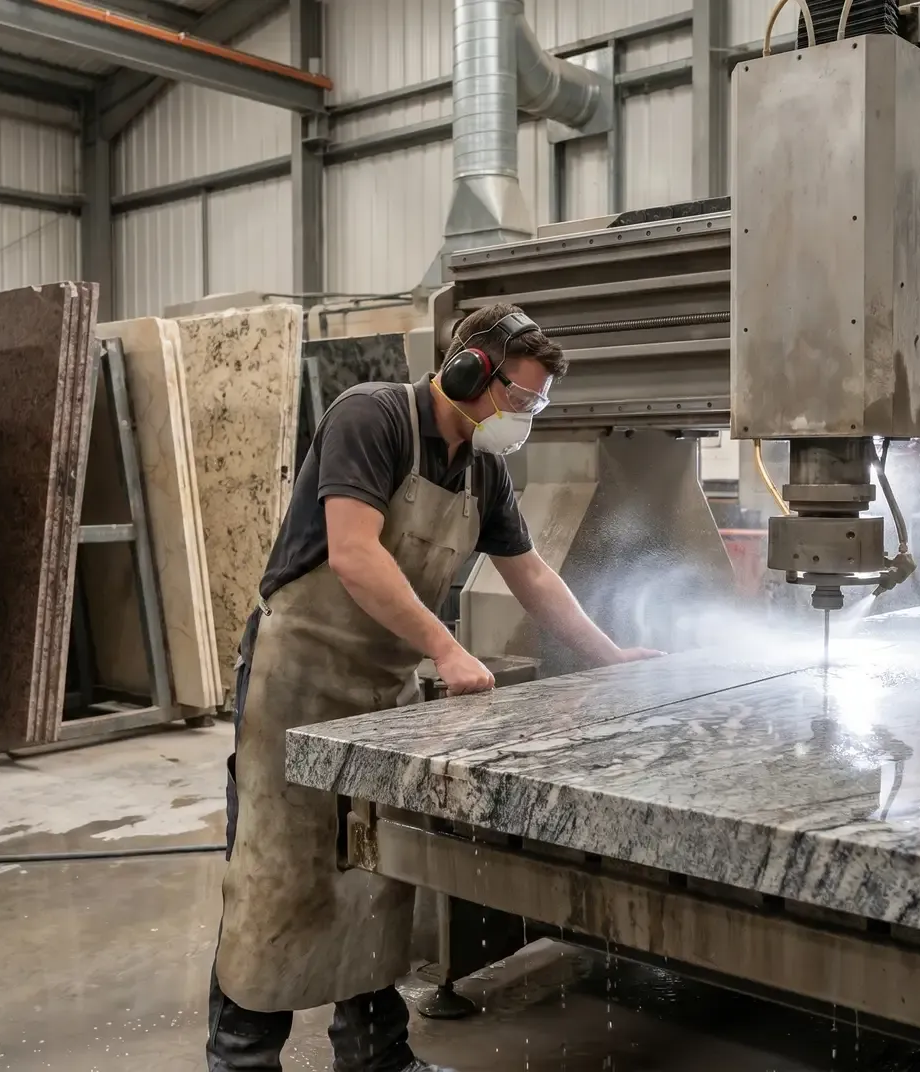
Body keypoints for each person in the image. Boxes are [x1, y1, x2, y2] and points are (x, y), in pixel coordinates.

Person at [207, 303, 661, 1072]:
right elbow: (353, 554)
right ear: (466, 370)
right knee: (274, 879)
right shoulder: (371, 418)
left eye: (534, 408)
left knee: (374, 878)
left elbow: (533, 576)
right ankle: (242, 1060)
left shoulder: (483, 467)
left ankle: (377, 1058)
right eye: (517, 400)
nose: (521, 418)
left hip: (381, 691)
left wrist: (609, 656)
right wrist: (448, 651)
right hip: (299, 680)